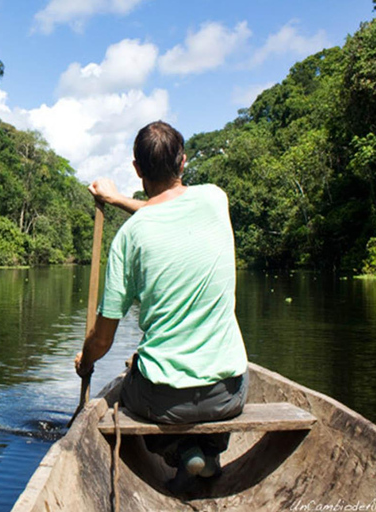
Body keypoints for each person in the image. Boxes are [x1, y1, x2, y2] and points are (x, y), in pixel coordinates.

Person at [74, 121, 248, 486]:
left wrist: (85, 359)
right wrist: (118, 200)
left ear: (137, 169)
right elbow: (167, 210)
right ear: (183, 163)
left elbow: (102, 341)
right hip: (230, 393)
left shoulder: (128, 238)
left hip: (163, 400)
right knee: (196, 390)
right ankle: (210, 447)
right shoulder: (216, 198)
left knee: (129, 389)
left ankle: (180, 451)